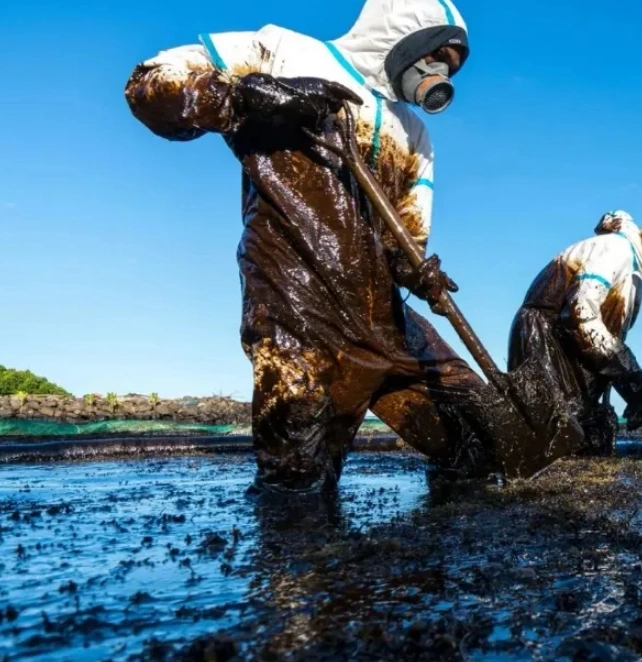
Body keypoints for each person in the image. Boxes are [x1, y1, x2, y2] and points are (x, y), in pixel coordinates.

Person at [125, 0, 528, 497]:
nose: (441, 72)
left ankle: (421, 566)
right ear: (406, 35)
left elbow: (407, 233)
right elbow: (150, 85)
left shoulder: (415, 133)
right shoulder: (285, 51)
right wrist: (252, 98)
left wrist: (417, 270)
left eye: (452, 66)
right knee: (298, 478)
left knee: (483, 439)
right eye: (438, 55)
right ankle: (304, 570)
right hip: (298, 303)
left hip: (385, 317)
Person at [507, 210, 642, 455]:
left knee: (589, 440)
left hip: (566, 345)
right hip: (541, 339)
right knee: (551, 441)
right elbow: (580, 311)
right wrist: (630, 373)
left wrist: (631, 383)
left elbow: (607, 340)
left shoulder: (634, 278)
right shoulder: (616, 250)